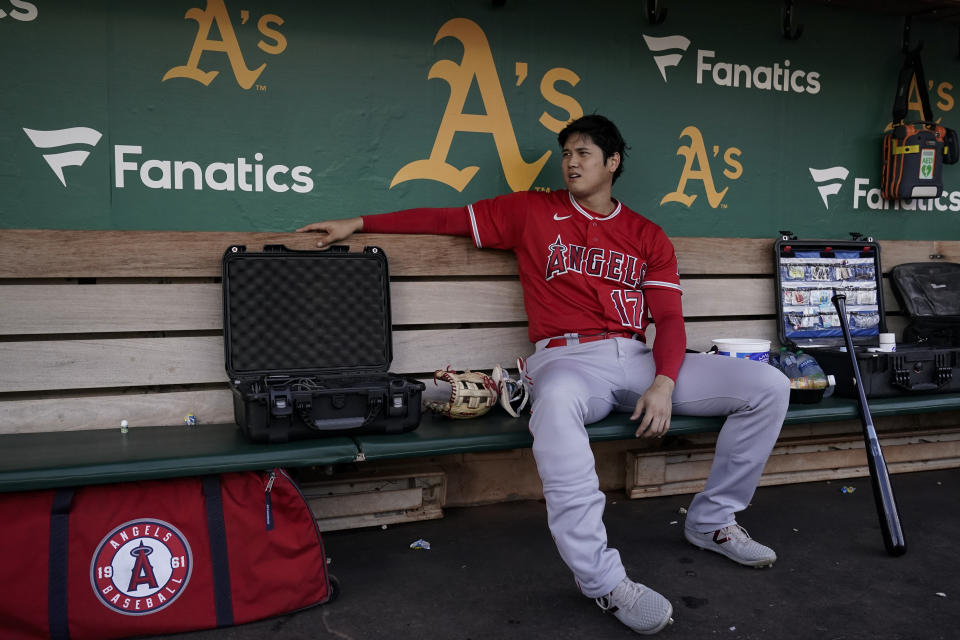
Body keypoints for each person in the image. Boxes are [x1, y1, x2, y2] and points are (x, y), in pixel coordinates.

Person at [297, 114, 790, 635]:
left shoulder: (647, 234)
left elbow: (668, 320)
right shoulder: (532, 210)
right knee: (553, 409)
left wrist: (664, 381)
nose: (572, 163)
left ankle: (712, 521)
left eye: (584, 154)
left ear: (612, 162)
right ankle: (601, 579)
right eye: (567, 154)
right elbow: (449, 219)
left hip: (640, 359)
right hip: (568, 360)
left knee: (769, 387)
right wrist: (361, 222)